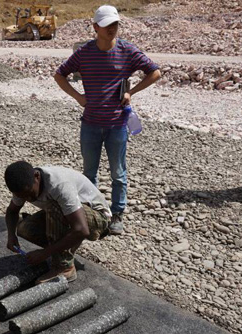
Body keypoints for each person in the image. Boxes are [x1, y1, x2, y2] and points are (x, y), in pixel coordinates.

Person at [54, 5, 161, 235]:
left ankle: (117, 214)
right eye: (107, 25)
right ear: (95, 27)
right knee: (88, 174)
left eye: (115, 24)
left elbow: (154, 72)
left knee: (118, 174)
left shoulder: (127, 51)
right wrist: (78, 97)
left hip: (117, 125)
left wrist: (131, 92)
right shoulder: (84, 53)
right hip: (90, 124)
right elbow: (59, 74)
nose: (112, 28)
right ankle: (93, 213)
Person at [4, 161, 111, 284]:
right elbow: (12, 211)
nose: (28, 198)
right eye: (22, 196)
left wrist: (45, 253)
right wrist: (11, 235)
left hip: (98, 219)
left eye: (29, 194)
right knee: (25, 229)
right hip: (69, 215)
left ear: (36, 176)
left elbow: (82, 230)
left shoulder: (59, 185)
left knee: (54, 207)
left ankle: (65, 267)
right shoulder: (22, 186)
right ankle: (62, 248)